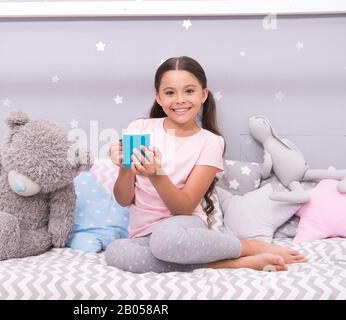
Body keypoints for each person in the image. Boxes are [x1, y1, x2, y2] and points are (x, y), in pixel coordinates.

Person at [105, 56, 307, 273]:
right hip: (143, 233)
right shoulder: (139, 128)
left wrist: (157, 175)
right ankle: (226, 263)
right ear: (159, 98)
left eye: (189, 91)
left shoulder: (210, 142)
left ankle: (248, 247)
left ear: (203, 94)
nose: (180, 99)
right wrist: (125, 168)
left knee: (165, 241)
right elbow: (123, 199)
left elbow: (183, 206)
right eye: (170, 92)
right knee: (116, 252)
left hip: (182, 226)